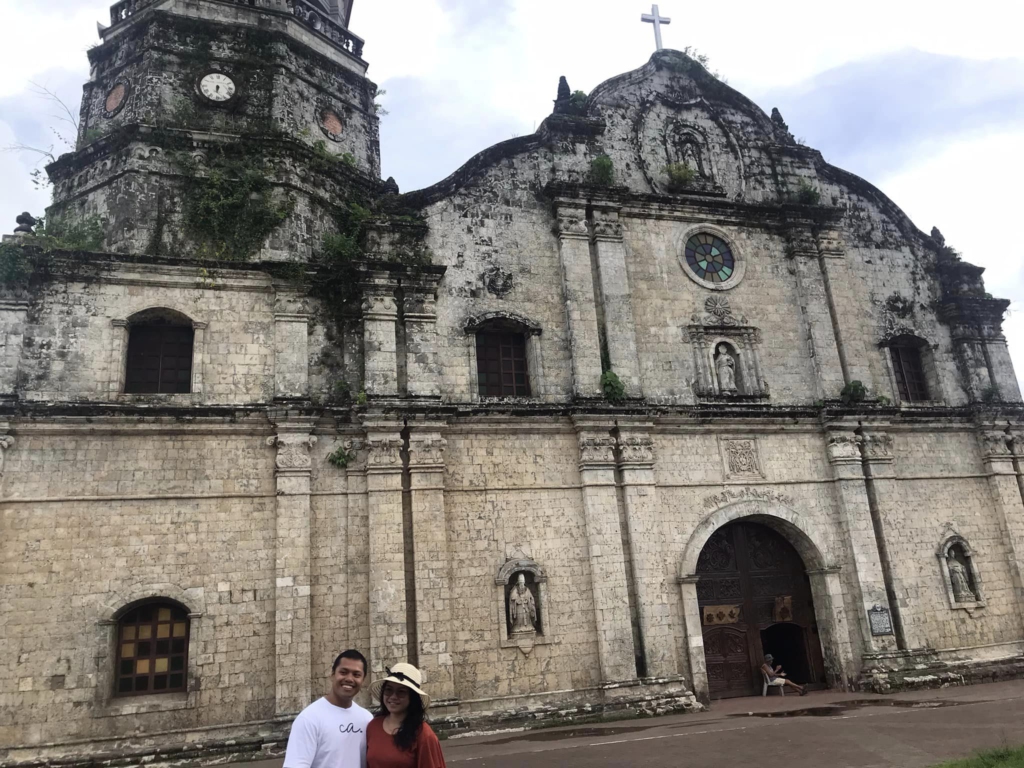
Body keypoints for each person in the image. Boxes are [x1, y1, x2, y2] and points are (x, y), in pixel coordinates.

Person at [283, 649, 374, 768]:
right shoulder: (309, 718)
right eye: (343, 672)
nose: (349, 679)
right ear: (332, 675)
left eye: (356, 674)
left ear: (363, 680)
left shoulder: (367, 718)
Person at [367, 663, 446, 768]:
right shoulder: (373, 726)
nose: (393, 697)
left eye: (401, 692)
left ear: (412, 697)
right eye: (388, 690)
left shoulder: (423, 734)